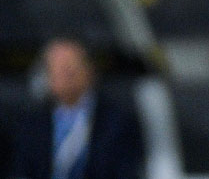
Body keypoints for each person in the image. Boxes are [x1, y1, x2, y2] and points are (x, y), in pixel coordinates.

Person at [11, 37, 145, 179]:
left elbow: (125, 170)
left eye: (70, 67)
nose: (66, 75)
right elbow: (20, 170)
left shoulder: (118, 121)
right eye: (58, 68)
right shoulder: (31, 123)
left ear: (89, 70)